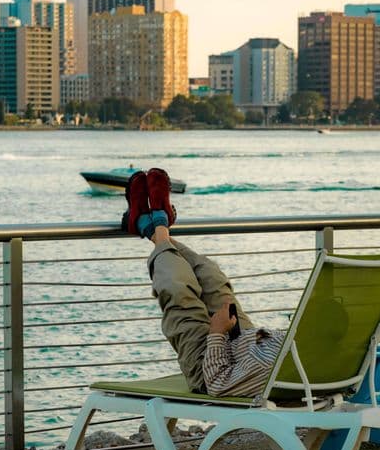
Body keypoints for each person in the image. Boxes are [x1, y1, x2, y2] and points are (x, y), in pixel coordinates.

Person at [122, 168, 285, 397]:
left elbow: (218, 383)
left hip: (208, 368)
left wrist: (217, 332)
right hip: (246, 341)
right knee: (212, 275)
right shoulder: (327, 356)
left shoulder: (297, 373)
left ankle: (155, 225)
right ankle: (154, 227)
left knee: (178, 289)